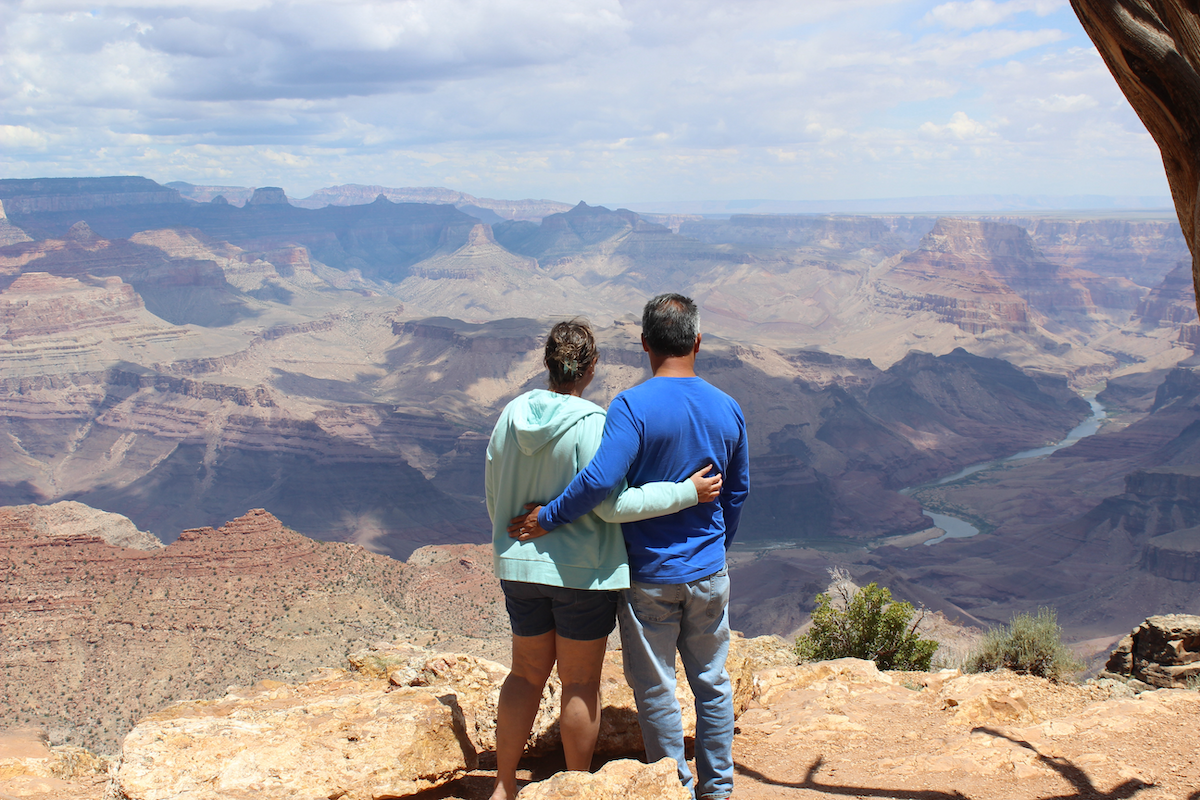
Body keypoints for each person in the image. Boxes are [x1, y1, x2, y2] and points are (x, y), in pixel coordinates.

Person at [509, 294, 749, 800]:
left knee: (657, 689)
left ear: (644, 344)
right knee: (712, 682)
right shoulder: (729, 408)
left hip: (649, 577)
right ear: (698, 342)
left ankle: (672, 787)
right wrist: (714, 549)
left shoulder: (631, 406)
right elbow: (738, 491)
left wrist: (548, 517)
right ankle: (719, 790)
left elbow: (599, 483)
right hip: (708, 571)